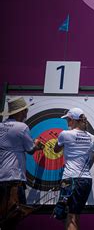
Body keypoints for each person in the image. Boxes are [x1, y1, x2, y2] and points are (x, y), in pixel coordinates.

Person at [0, 97, 43, 229]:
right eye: (25, 110)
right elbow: (30, 150)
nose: (26, 113)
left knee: (2, 214)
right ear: (20, 112)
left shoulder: (1, 126)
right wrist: (36, 144)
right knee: (15, 213)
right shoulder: (21, 127)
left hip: (1, 178)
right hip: (14, 178)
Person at [53, 108, 94, 230]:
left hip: (70, 179)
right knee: (75, 215)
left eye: (68, 119)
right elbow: (90, 158)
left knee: (70, 217)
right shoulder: (92, 138)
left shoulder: (65, 134)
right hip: (86, 180)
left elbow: (56, 150)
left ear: (72, 120)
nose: (67, 121)